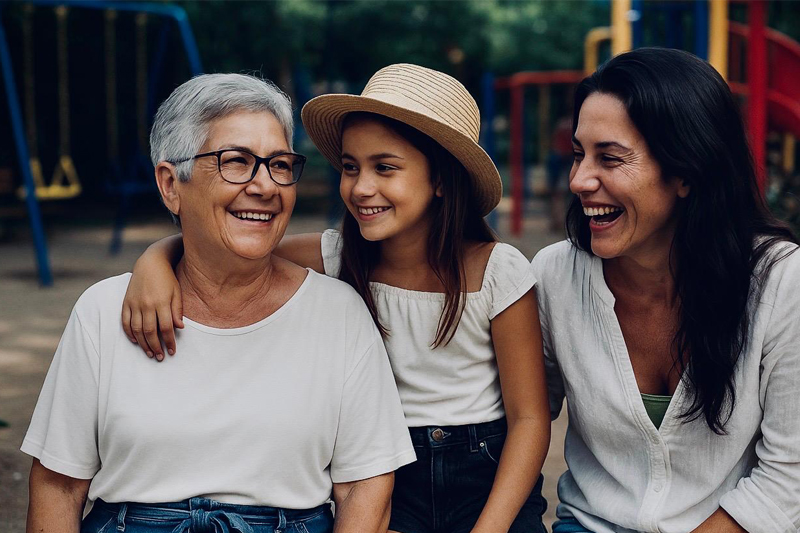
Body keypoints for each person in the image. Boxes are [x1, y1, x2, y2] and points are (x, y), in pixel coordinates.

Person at [120, 64, 552, 533]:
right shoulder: (338, 256)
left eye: (384, 167)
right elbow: (229, 242)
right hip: (388, 474)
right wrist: (155, 260)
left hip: (488, 476)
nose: (361, 187)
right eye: (350, 167)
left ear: (441, 180)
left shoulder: (497, 271)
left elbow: (530, 418)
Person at [22, 73, 416, 533]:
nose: (266, 186)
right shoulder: (104, 312)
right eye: (236, 161)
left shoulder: (338, 312)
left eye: (280, 165)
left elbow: (365, 486)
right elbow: (58, 487)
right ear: (171, 184)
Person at [533, 48, 800, 533]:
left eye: (609, 158)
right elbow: (517, 420)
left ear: (685, 172)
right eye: (578, 154)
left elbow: (789, 478)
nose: (579, 180)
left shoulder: (780, 281)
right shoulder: (554, 276)